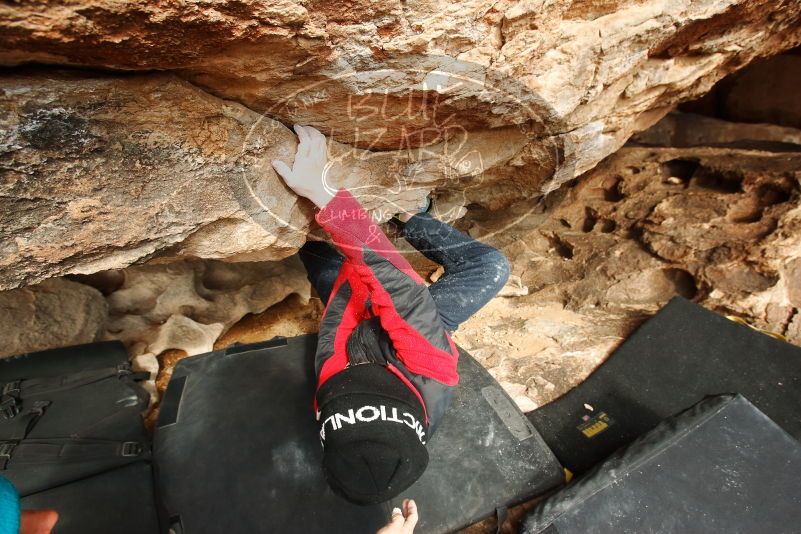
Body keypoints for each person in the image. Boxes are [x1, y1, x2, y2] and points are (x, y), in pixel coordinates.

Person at [272, 126, 509, 507]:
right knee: (490, 267)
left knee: (323, 254)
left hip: (359, 328)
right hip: (420, 335)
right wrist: (324, 194)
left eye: (344, 387)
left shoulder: (337, 421)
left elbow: (348, 305)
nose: (350, 375)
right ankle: (411, 215)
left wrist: (339, 245)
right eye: (369, 384)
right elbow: (399, 289)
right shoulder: (432, 367)